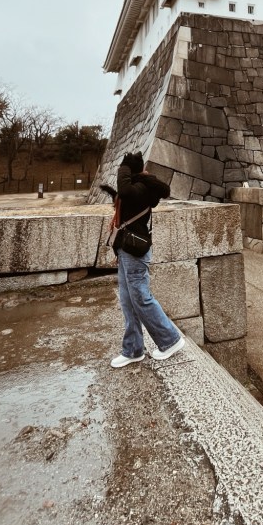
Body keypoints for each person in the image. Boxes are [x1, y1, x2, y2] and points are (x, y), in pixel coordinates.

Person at [109, 151, 185, 369]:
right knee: (128, 300)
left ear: (129, 171)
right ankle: (132, 349)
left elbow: (123, 190)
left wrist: (123, 168)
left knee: (141, 298)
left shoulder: (140, 189)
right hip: (126, 250)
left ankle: (170, 340)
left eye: (124, 169)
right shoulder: (139, 187)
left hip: (134, 252)